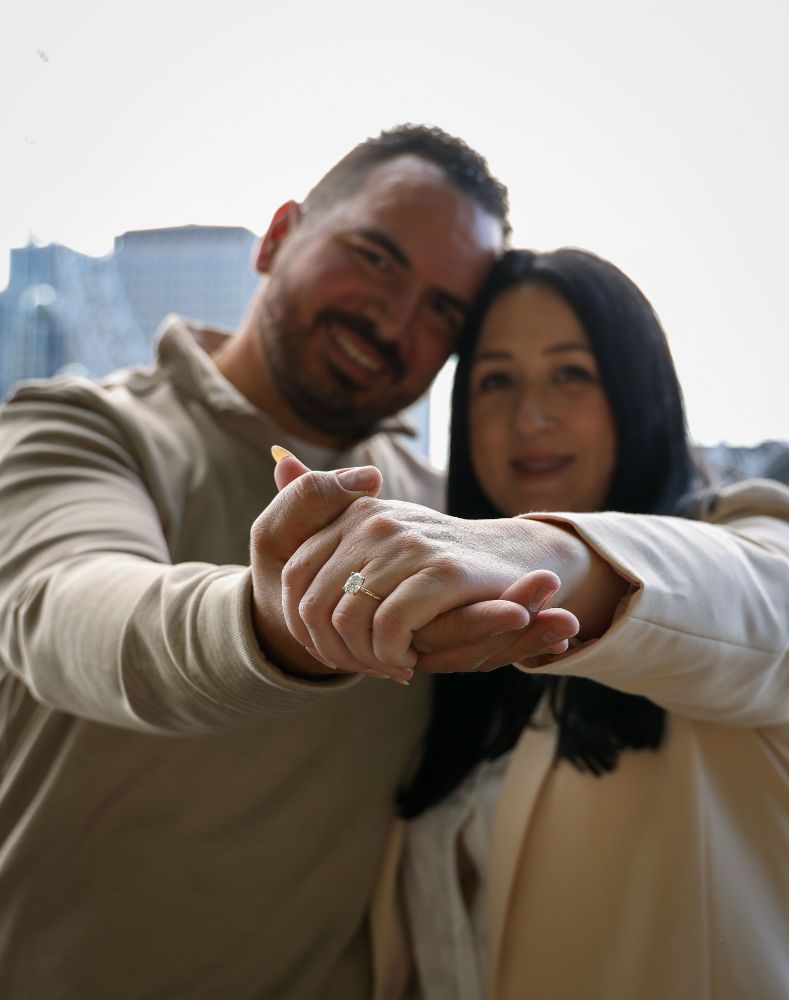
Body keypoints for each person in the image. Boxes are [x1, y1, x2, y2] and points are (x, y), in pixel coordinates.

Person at [0, 127, 572, 1000]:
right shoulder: (80, 427)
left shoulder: (450, 516)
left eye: (441, 312)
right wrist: (275, 625)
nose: (394, 321)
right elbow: (67, 611)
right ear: (276, 238)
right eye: (374, 258)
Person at [272, 249, 789, 999]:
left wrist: (530, 548)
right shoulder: (455, 654)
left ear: (636, 390)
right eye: (496, 381)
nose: (531, 417)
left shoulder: (748, 533)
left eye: (570, 374)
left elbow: (769, 607)